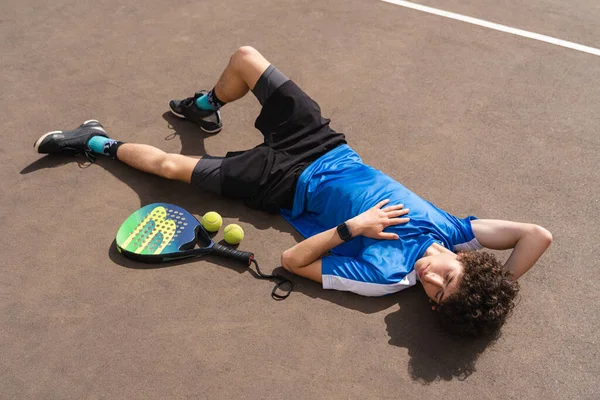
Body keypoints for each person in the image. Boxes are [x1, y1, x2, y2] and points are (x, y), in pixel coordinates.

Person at [33, 46, 552, 336]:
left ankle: (93, 140)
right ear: (470, 262)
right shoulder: (456, 233)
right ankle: (204, 105)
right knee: (246, 57)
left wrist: (353, 228)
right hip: (324, 145)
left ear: (433, 306)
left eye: (435, 293)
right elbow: (536, 235)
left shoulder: (384, 277)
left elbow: (293, 260)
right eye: (448, 276)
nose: (430, 277)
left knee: (170, 167)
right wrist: (499, 289)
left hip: (280, 183)